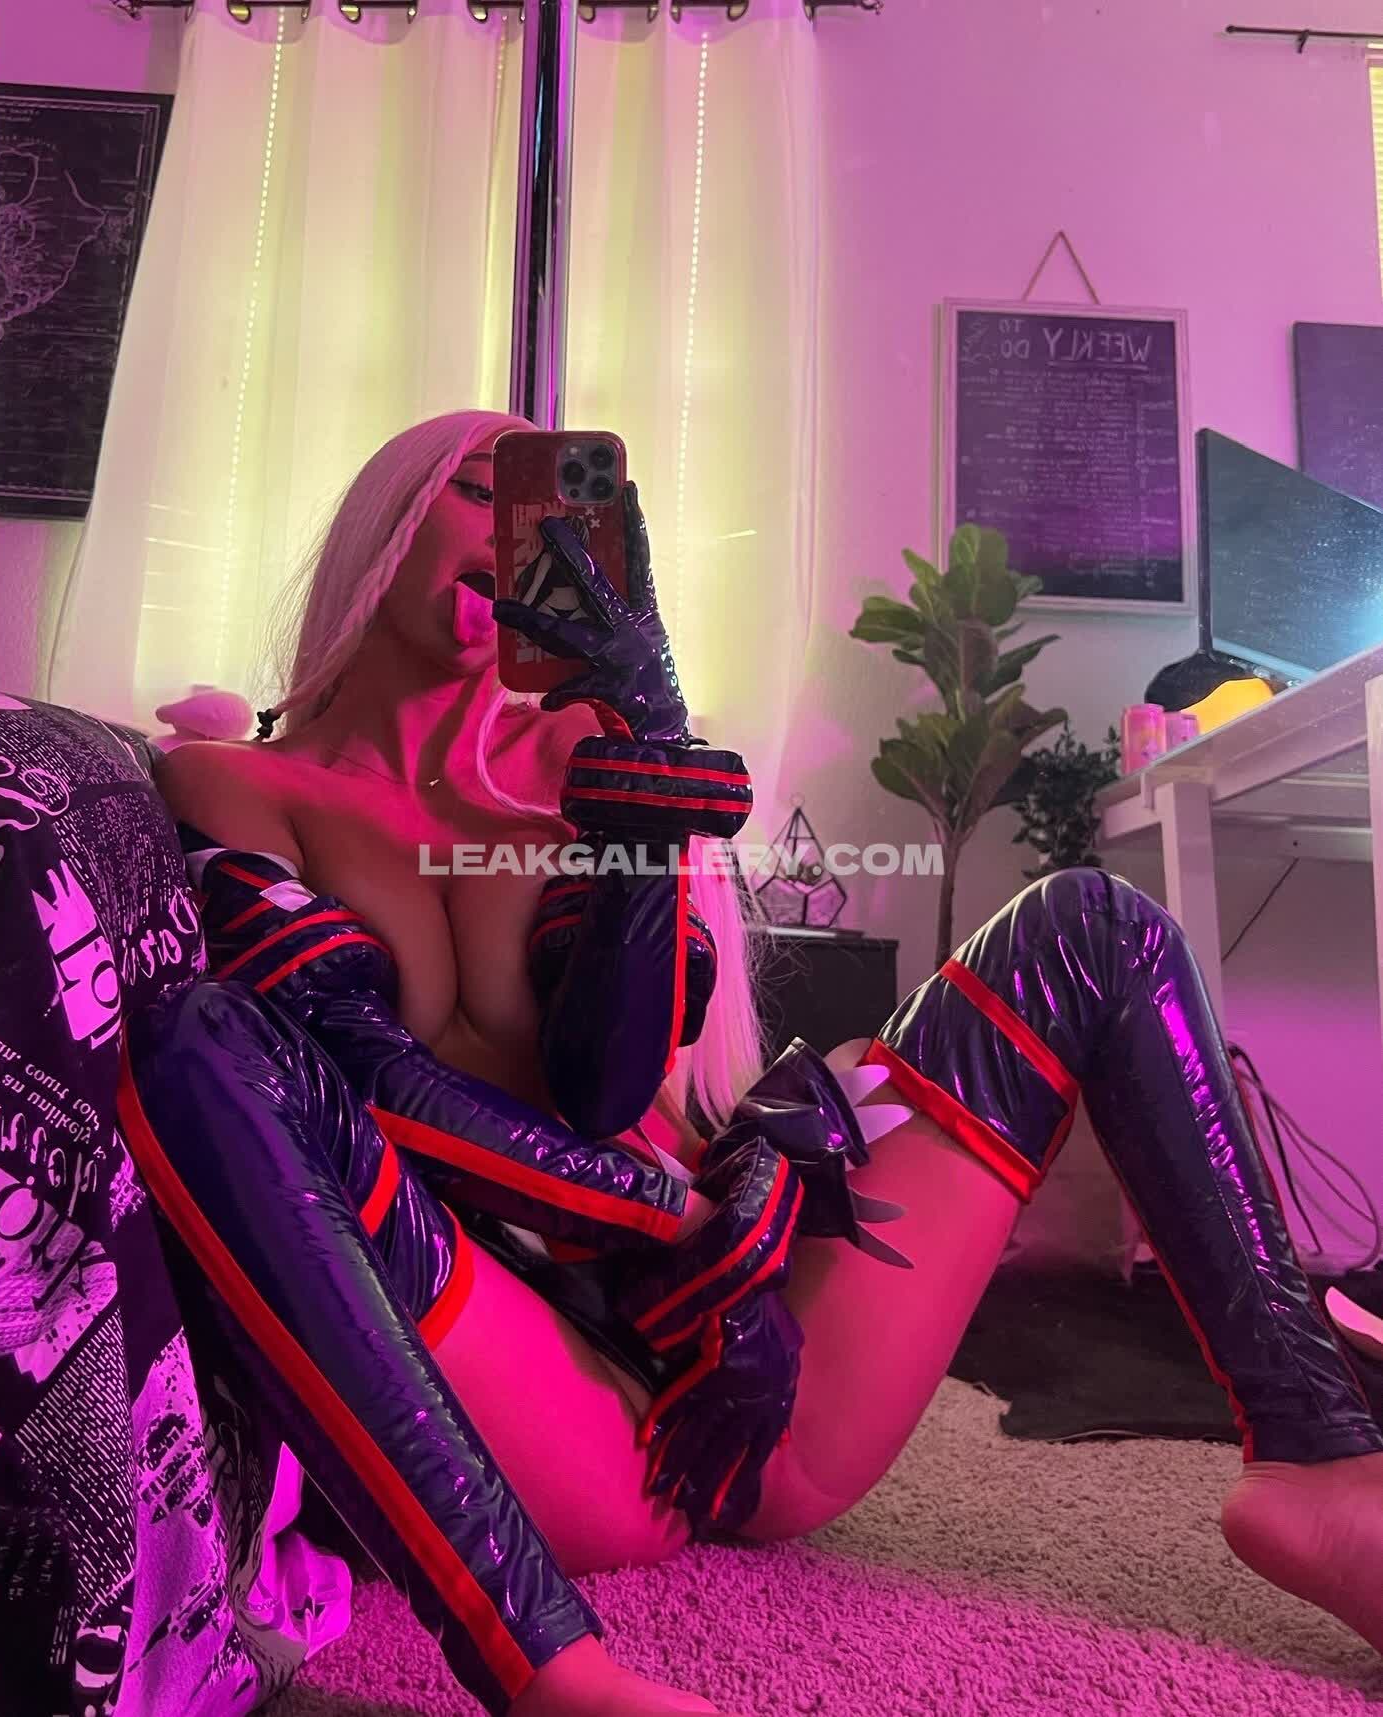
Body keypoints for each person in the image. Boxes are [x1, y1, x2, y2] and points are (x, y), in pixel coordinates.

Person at [123, 409, 1383, 1717]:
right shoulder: (233, 784)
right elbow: (362, 1086)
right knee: (200, 1040)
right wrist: (690, 1232)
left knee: (1093, 929)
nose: (516, 540)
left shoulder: (570, 763)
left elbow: (611, 1082)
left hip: (771, 1356)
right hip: (551, 1384)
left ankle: (1320, 1460)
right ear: (384, 524)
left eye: (549, 514)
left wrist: (646, 738)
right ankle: (556, 1674)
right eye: (483, 492)